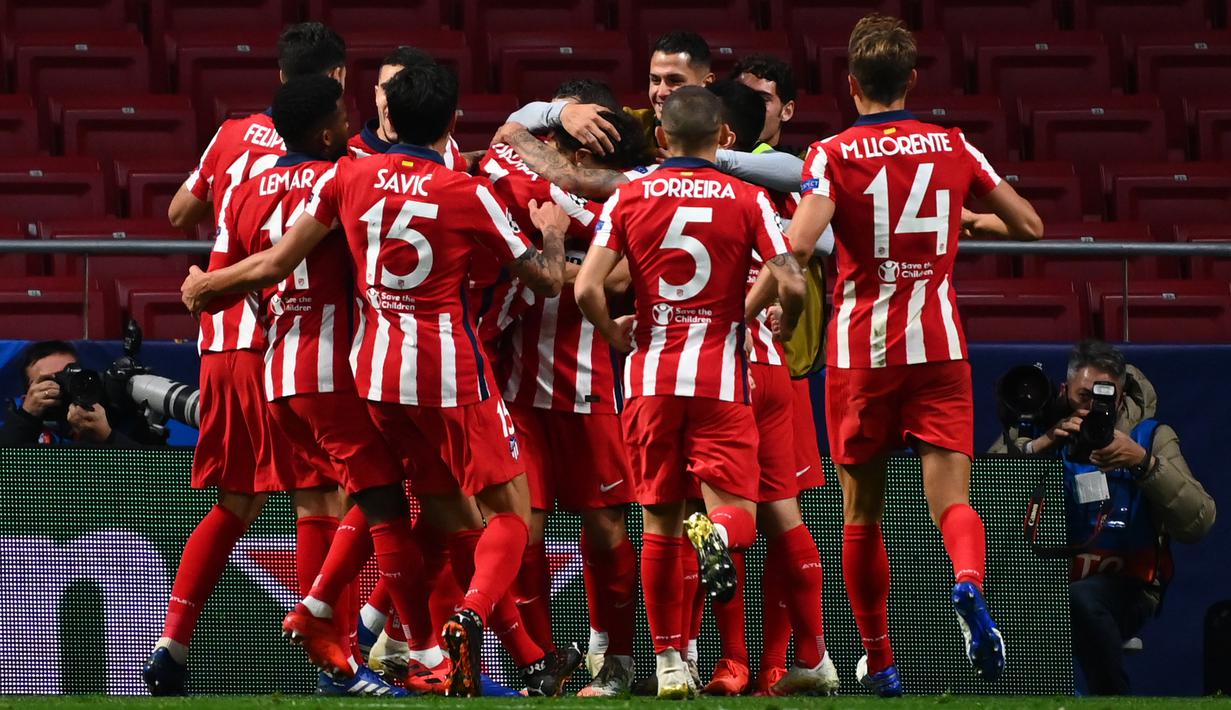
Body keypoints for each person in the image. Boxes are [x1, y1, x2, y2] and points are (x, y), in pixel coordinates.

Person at [180, 61, 570, 698]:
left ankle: (503, 655)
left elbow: (275, 260)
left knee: (422, 506)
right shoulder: (463, 193)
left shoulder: (350, 176)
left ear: (387, 116)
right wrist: (553, 235)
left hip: (375, 375)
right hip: (449, 372)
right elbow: (547, 280)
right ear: (449, 122)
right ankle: (454, 628)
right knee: (509, 513)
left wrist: (206, 286)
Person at [751, 13, 1044, 696]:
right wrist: (965, 218)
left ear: (850, 84)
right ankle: (968, 584)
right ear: (912, 80)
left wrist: (754, 306)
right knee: (950, 500)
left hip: (862, 351)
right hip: (938, 343)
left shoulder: (829, 153)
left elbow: (797, 245)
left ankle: (881, 664)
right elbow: (1028, 223)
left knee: (862, 516)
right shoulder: (952, 145)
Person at [574, 86, 807, 699]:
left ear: (661, 138)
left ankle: (671, 666)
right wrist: (751, 317)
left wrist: (615, 336)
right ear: (723, 139)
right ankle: (719, 538)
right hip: (721, 377)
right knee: (739, 518)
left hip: (651, 376)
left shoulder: (629, 193)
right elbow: (795, 283)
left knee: (658, 524)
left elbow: (587, 288)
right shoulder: (750, 197)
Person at [144, 21, 349, 696]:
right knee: (321, 495)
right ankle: (333, 662)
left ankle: (170, 645)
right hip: (286, 337)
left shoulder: (233, 134)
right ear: (336, 82)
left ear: (280, 77)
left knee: (236, 502)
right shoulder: (335, 159)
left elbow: (180, 213)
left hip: (221, 341)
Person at [202, 73, 421, 697]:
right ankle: (358, 645)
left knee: (336, 503)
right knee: (389, 502)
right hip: (336, 372)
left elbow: (225, 285)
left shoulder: (244, 191)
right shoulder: (341, 178)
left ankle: (351, 644)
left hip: (277, 373)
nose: (353, 120)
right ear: (326, 130)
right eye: (345, 114)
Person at [479, 78, 645, 698]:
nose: (571, 156)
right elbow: (504, 136)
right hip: (517, 384)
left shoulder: (612, 202)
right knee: (523, 526)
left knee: (605, 531)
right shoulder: (528, 171)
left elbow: (630, 264)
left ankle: (619, 658)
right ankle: (545, 663)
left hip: (588, 385)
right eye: (567, 140)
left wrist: (582, 277)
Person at [990, 340, 1216, 695]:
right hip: (1040, 587)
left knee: (1082, 599)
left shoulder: (1150, 437)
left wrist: (1143, 463)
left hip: (1124, 585)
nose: (1095, 407)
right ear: (1064, 392)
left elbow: (1200, 522)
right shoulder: (1039, 431)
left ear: (1123, 396)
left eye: (1106, 398)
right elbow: (982, 504)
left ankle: (1111, 702)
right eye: (1084, 397)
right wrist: (1036, 449)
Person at [498, 31, 807, 197]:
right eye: (654, 79)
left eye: (675, 81)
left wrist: (703, 157)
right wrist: (561, 112)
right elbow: (515, 122)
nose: (661, 91)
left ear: (706, 84)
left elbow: (801, 175)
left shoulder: (727, 135)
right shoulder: (636, 124)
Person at [0, 341, 159, 447]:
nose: (64, 386)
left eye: (70, 376)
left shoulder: (114, 418)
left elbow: (156, 482)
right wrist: (26, 418)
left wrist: (107, 437)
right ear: (26, 398)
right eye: (50, 381)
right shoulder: (19, 427)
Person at [346, 45, 467, 171]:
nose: (392, 100)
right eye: (386, 88)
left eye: (406, 91)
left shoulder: (446, 147)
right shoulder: (350, 156)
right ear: (376, 94)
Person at [732, 54, 800, 154]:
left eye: (762, 99)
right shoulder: (709, 160)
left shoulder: (802, 166)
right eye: (741, 96)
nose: (748, 107)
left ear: (787, 111)